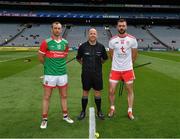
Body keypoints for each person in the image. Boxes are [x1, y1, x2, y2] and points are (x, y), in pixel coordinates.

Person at [38, 21, 74, 129]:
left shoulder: (65, 43)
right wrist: (48, 66)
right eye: (55, 28)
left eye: (59, 28)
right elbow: (40, 57)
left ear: (61, 30)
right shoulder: (46, 42)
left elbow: (65, 55)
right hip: (50, 75)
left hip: (62, 74)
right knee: (47, 97)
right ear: (52, 29)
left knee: (64, 96)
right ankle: (44, 119)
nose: (57, 30)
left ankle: (65, 115)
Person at [108, 19, 138, 120]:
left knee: (129, 90)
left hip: (128, 70)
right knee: (111, 91)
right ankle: (112, 108)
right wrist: (118, 65)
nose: (121, 27)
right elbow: (111, 55)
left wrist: (129, 65)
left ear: (126, 27)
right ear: (117, 27)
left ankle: (130, 110)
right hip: (115, 70)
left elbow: (134, 55)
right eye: (120, 26)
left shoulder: (132, 39)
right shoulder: (112, 40)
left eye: (123, 26)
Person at [76, 28, 108, 120]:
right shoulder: (83, 47)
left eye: (94, 33)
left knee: (97, 93)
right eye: (91, 33)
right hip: (86, 74)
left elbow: (105, 58)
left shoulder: (101, 47)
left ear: (97, 35)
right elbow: (78, 58)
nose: (92, 35)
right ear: (88, 35)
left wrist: (99, 64)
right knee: (85, 92)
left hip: (97, 74)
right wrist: (84, 64)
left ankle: (99, 111)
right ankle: (83, 112)